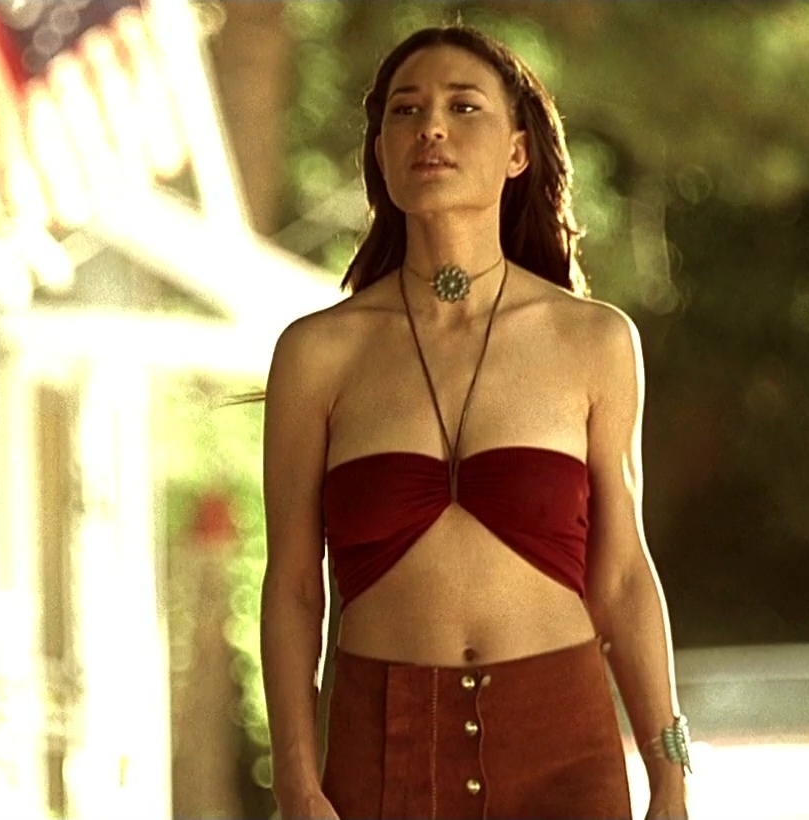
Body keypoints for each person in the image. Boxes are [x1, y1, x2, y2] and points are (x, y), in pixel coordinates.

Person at [259, 25, 691, 820]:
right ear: (381, 154)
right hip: (381, 748)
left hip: (564, 746)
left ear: (518, 151)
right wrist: (296, 779)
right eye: (405, 110)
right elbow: (291, 587)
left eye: (463, 107)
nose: (431, 127)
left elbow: (624, 575)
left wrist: (671, 774)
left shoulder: (594, 340)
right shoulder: (317, 354)